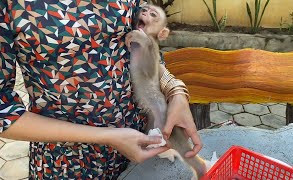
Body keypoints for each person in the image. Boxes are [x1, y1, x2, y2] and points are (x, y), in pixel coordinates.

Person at [0, 0, 202, 179]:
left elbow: (145, 45)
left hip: (142, 144)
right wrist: (107, 137)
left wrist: (174, 90)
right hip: (68, 164)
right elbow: (3, 113)